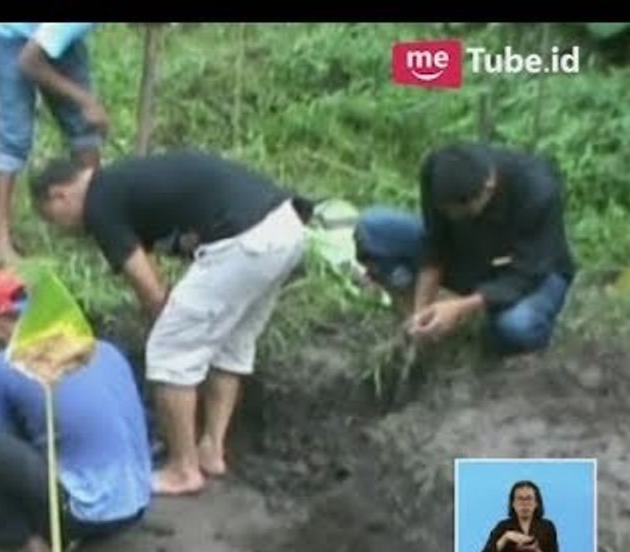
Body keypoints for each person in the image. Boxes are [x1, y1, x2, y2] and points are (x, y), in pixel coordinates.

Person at [29, 149, 314, 496]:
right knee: (232, 343)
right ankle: (211, 451)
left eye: (53, 219)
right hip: (286, 227)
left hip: (244, 239)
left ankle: (183, 469)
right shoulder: (123, 183)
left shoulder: (99, 202)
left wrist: (165, 325)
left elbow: (148, 286)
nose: (63, 230)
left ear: (59, 195)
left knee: (169, 353)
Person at [0, 269, 152, 552]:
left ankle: (21, 547)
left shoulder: (6, 366)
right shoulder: (106, 350)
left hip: (81, 516)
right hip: (137, 506)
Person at [353, 142, 576, 355]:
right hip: (470, 258)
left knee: (516, 328)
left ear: (488, 187)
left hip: (532, 271)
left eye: (464, 213)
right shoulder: (438, 172)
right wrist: (421, 308)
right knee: (372, 227)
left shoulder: (538, 191)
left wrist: (462, 308)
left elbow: (528, 272)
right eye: (448, 212)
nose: (453, 218)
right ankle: (424, 316)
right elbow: (434, 241)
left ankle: (496, 322)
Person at [0, 22, 107, 263]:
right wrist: (85, 100)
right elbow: (29, 62)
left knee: (84, 126)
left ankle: (98, 217)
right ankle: (1, 239)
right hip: (9, 33)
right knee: (13, 138)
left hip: (50, 34)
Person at [479, 480, 560, 552]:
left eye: (529, 498)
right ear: (513, 503)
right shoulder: (502, 527)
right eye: (520, 499)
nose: (524, 503)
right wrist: (506, 537)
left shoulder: (547, 527)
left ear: (537, 503)